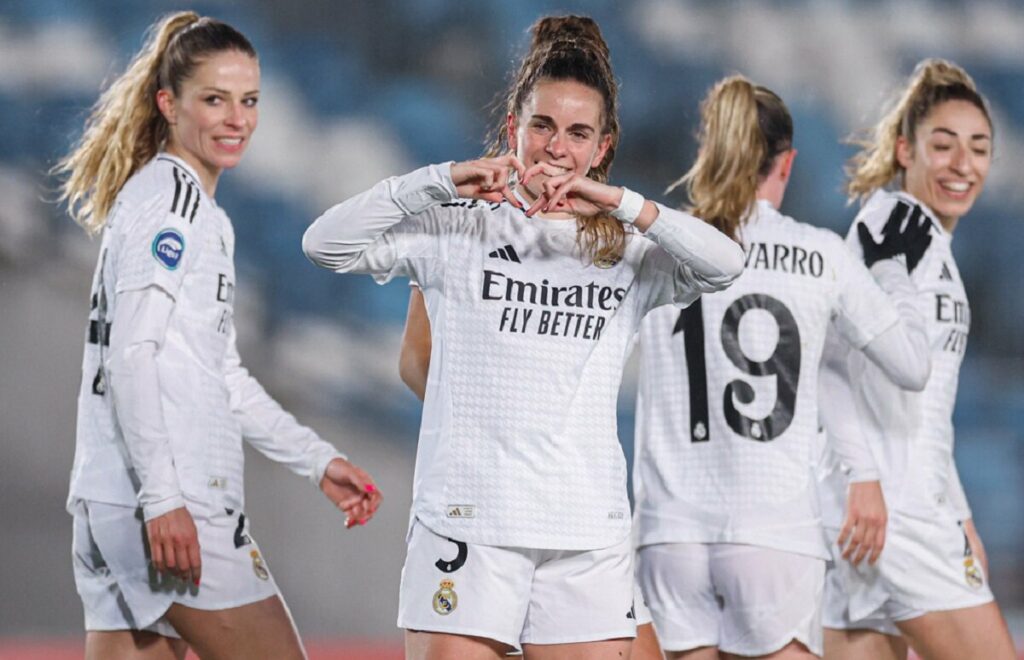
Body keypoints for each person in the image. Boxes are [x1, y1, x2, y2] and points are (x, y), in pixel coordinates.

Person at [304, 15, 744, 660]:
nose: (556, 148)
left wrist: (620, 202)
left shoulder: (630, 253)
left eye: (578, 134)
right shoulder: (459, 228)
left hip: (585, 532)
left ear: (602, 146)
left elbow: (726, 264)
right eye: (542, 125)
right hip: (470, 525)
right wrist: (439, 180)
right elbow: (323, 245)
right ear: (514, 127)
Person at [55, 12, 382, 659]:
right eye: (215, 99)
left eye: (249, 100)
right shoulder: (174, 206)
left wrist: (315, 458)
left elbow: (219, 375)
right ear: (168, 104)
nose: (237, 119)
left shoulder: (176, 203)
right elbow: (133, 354)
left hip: (111, 501)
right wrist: (164, 500)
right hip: (169, 504)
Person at [631, 76, 934, 660]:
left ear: (711, 148)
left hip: (669, 531)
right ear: (787, 163)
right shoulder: (820, 253)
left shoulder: (659, 246)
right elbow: (911, 365)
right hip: (773, 531)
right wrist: (895, 273)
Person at [819, 58, 1016, 660]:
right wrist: (866, 481)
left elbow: (923, 412)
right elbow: (831, 361)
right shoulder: (897, 229)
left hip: (885, 509)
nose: (964, 164)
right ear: (905, 149)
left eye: (979, 147)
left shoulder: (923, 240)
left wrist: (962, 518)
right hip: (893, 513)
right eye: (944, 145)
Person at [399, 285, 666, 660]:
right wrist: (502, 440)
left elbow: (414, 360)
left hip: (581, 518)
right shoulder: (461, 229)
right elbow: (417, 358)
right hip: (488, 516)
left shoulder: (619, 232)